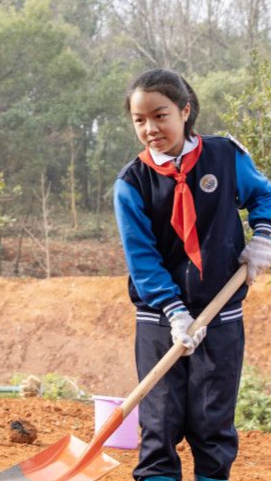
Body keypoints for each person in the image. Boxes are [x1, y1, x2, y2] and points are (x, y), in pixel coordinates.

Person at [114, 68, 271, 481]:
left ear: (185, 111)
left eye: (160, 115)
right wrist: (173, 311)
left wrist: (264, 236)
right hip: (158, 316)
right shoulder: (131, 183)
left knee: (213, 422)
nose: (150, 128)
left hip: (220, 312)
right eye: (140, 120)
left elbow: (264, 195)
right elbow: (141, 257)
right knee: (159, 422)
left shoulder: (225, 156)